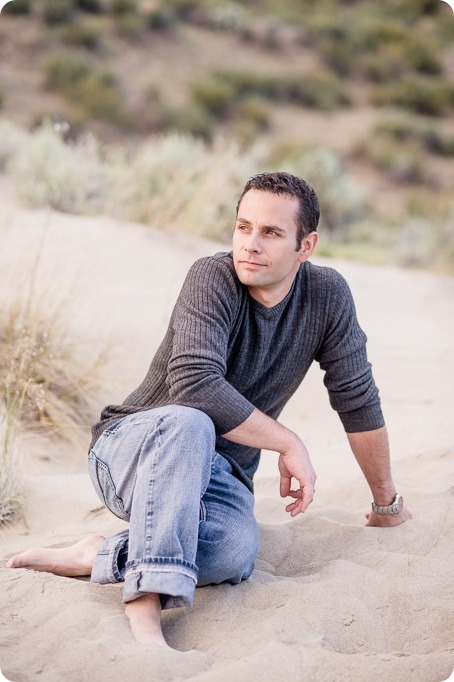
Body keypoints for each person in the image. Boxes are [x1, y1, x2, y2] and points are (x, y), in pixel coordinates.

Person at [6, 172, 411, 648]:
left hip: (219, 473)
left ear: (307, 246)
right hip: (135, 450)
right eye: (243, 227)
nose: (251, 244)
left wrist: (386, 504)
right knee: (191, 420)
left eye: (271, 232)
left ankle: (102, 553)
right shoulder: (211, 277)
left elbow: (356, 396)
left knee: (235, 553)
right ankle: (146, 602)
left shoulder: (327, 297)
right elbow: (195, 386)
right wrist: (287, 441)